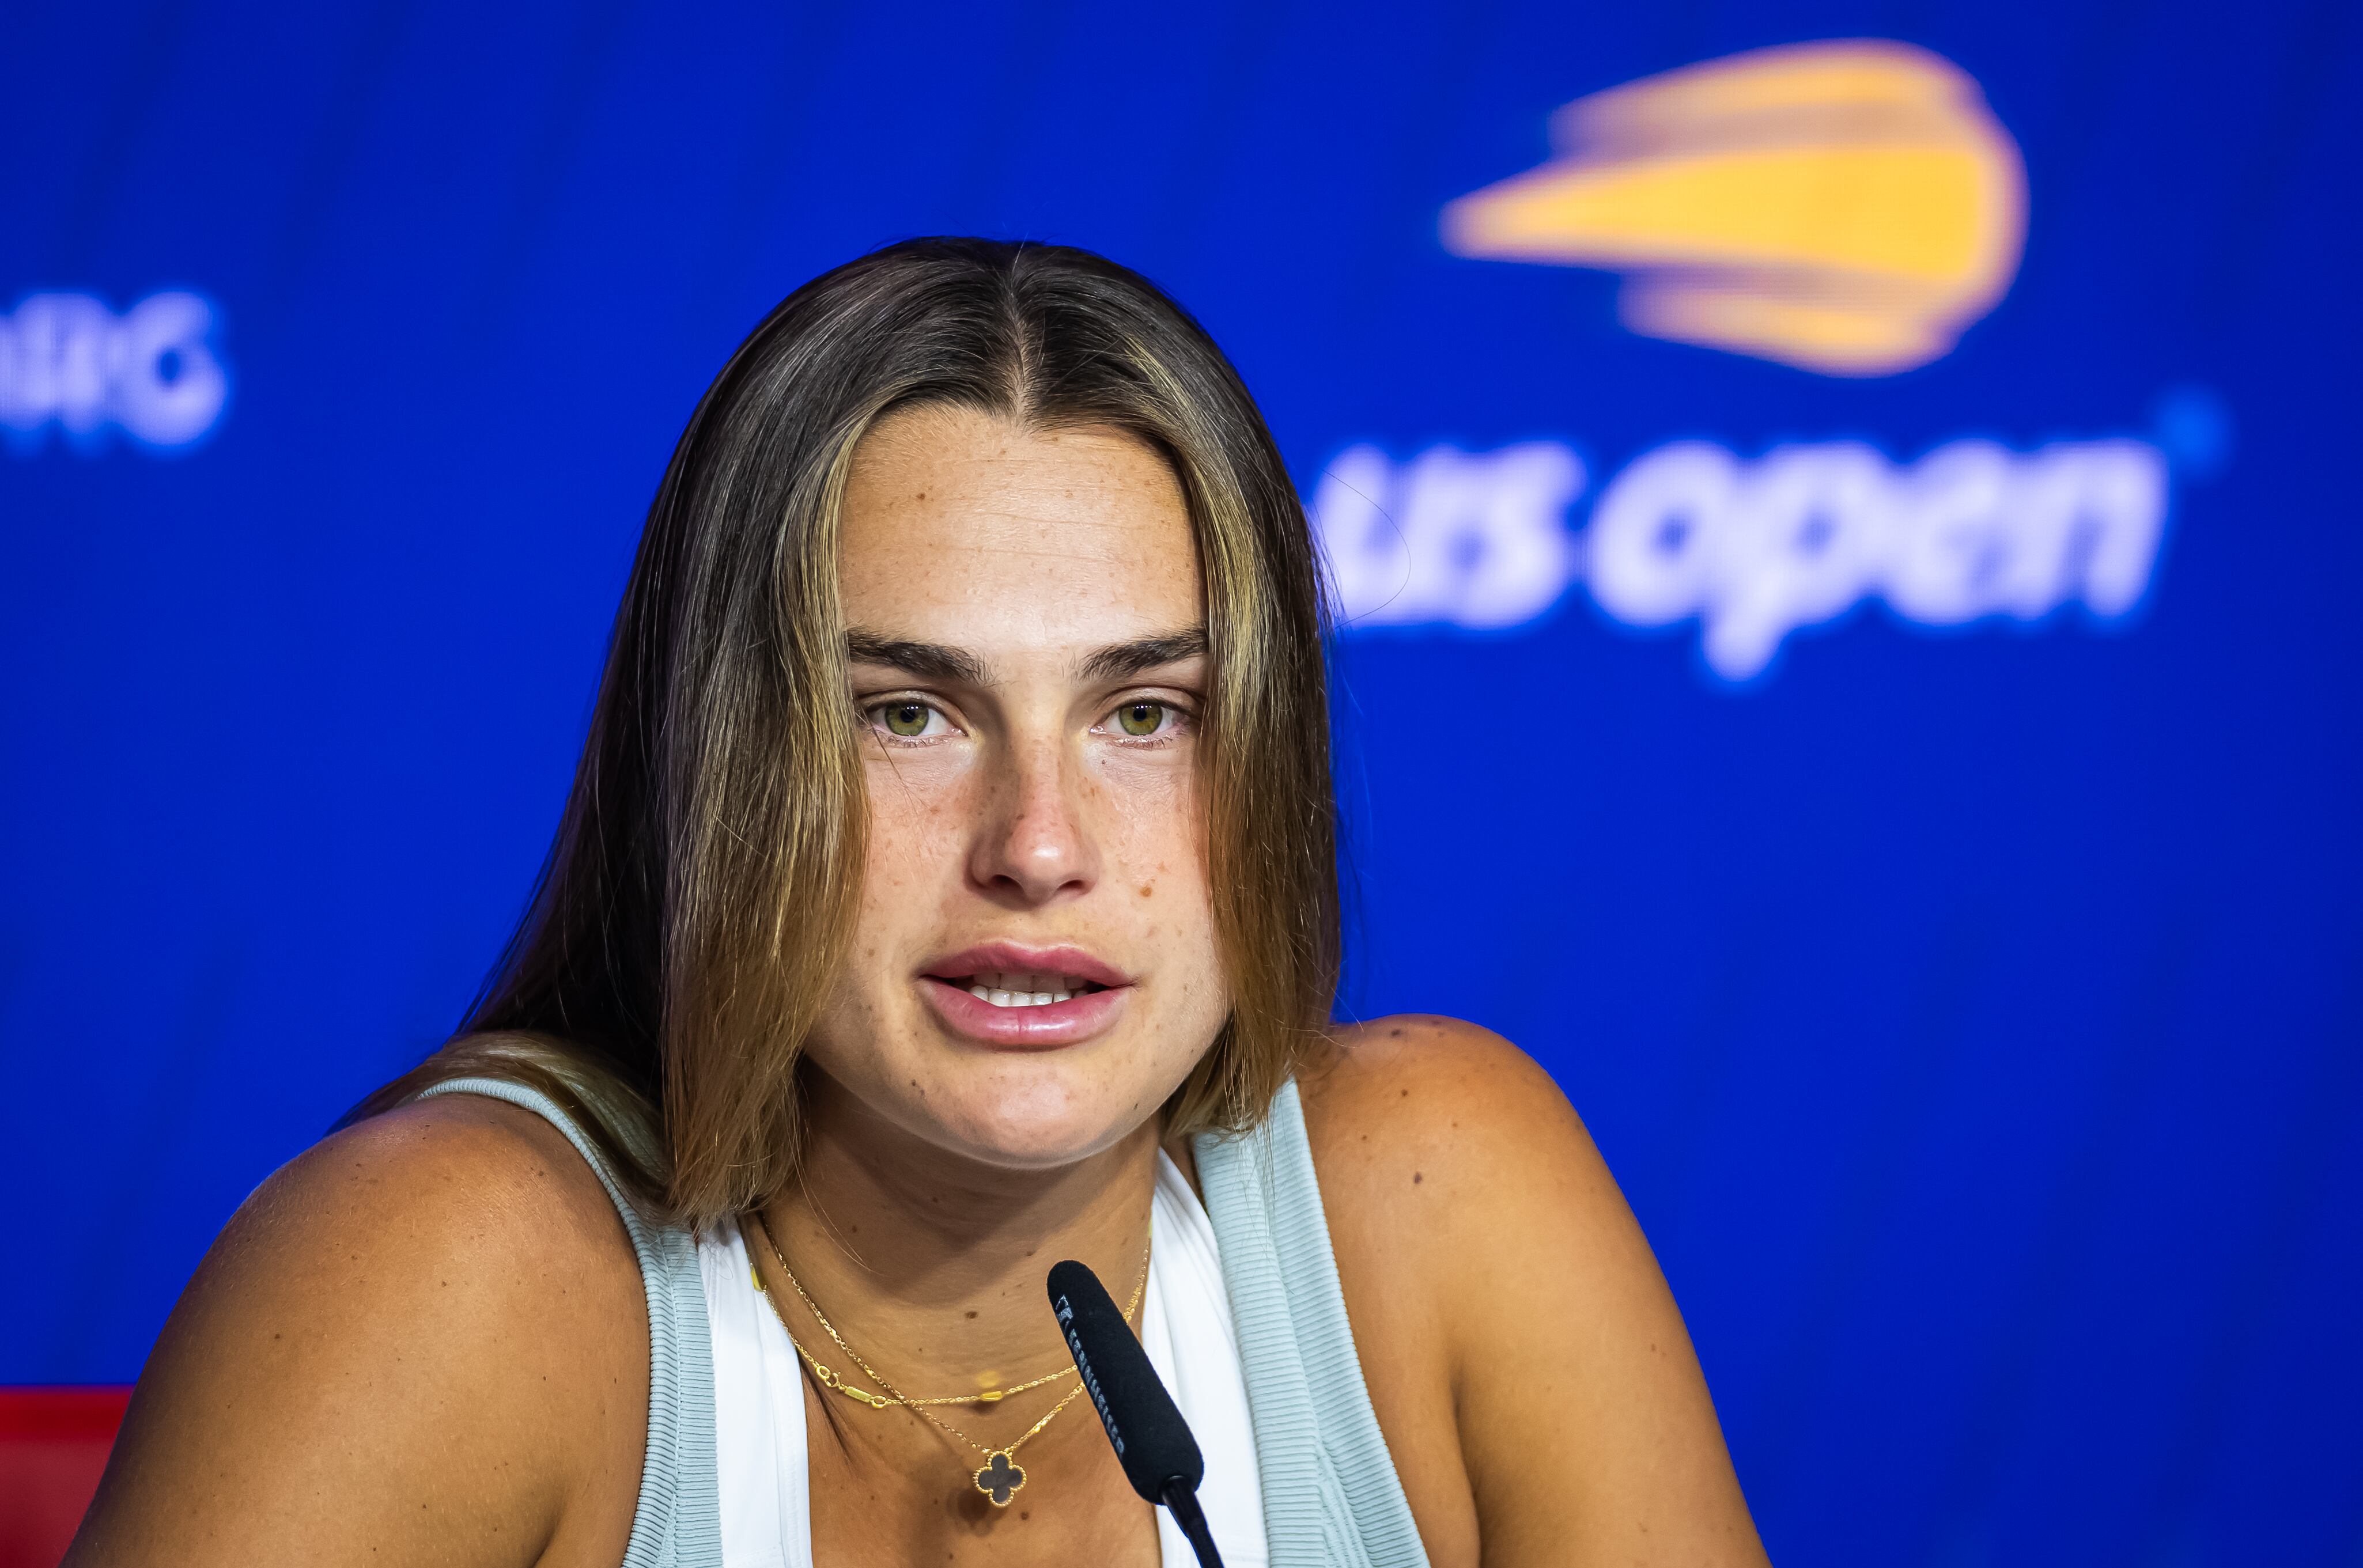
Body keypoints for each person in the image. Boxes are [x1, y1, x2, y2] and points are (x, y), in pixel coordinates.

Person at [66, 239, 1770, 1568]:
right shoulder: (450, 1277)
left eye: (1143, 714)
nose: (1039, 844)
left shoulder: (1443, 1192)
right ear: (729, 769)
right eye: (909, 712)